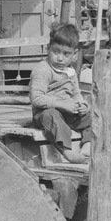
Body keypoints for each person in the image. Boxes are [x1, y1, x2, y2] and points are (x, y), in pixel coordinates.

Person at [30, 22, 93, 164]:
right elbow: (37, 98)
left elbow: (76, 93)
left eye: (66, 54)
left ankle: (87, 144)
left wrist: (82, 104)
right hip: (44, 113)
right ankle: (67, 152)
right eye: (56, 51)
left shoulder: (70, 72)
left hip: (67, 112)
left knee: (92, 114)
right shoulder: (43, 69)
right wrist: (63, 104)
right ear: (48, 49)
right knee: (52, 116)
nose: (60, 58)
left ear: (75, 55)